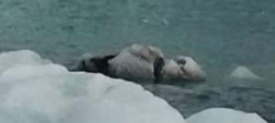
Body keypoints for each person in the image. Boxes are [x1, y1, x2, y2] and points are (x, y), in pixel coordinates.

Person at [75, 44, 206, 84]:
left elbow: (144, 51)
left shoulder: (117, 63)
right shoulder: (117, 63)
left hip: (154, 71)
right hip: (155, 70)